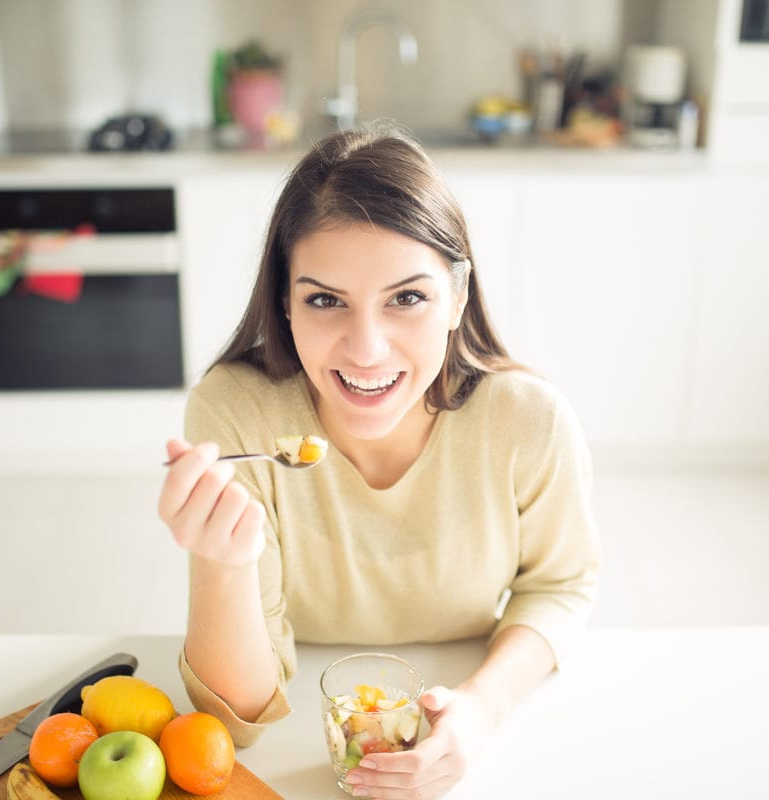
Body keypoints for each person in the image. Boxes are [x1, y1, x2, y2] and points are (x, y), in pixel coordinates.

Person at [158, 122, 600, 799]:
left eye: (408, 298)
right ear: (284, 301)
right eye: (325, 300)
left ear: (457, 297)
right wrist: (221, 562)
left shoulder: (528, 421)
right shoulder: (236, 415)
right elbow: (236, 722)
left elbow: (560, 586)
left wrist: (481, 710)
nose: (366, 350)